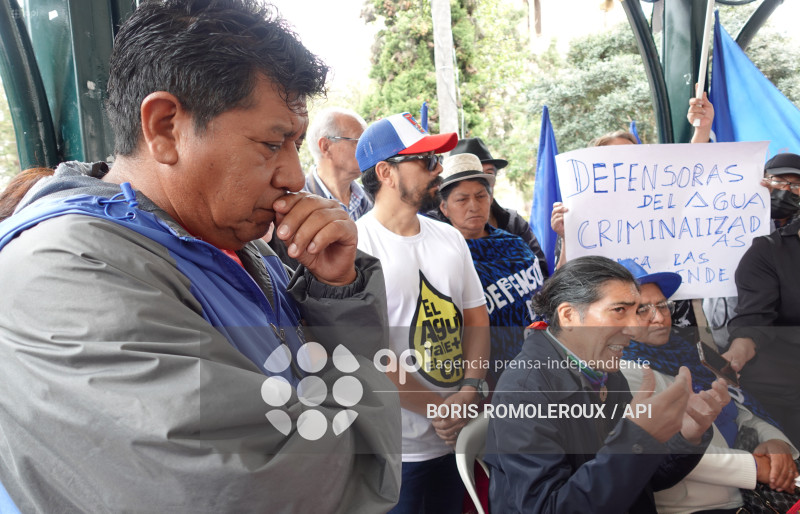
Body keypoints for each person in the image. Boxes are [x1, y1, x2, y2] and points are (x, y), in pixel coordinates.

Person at [0, 1, 401, 512]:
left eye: (297, 145)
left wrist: (335, 290)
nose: (295, 178)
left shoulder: (233, 247)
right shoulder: (64, 277)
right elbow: (273, 487)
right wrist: (374, 415)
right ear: (166, 127)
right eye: (272, 143)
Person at [485, 255, 729, 513]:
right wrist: (637, 437)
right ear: (569, 316)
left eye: (635, 312)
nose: (634, 328)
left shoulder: (603, 371)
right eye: (619, 311)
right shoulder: (525, 391)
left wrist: (687, 435)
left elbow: (638, 481)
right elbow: (550, 507)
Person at [355, 113, 490, 514]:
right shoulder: (355, 247)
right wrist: (438, 408)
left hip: (459, 437)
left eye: (437, 160)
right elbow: (366, 352)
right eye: (426, 161)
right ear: (386, 172)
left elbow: (476, 320)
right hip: (397, 451)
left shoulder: (448, 237)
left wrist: (469, 391)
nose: (438, 170)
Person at [618, 259, 799, 513]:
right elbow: (666, 455)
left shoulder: (690, 354)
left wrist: (775, 443)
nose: (659, 317)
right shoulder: (620, 374)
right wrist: (756, 468)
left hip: (753, 495)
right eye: (642, 310)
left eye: (662, 305)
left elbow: (738, 407)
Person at [436, 152, 545, 387]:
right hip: (491, 378)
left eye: (481, 196)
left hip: (540, 361)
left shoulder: (514, 243)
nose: (474, 206)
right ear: (444, 208)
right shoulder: (445, 258)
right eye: (462, 199)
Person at [725, 155, 800, 449]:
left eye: (795, 184)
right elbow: (753, 320)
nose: (787, 190)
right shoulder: (768, 252)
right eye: (780, 182)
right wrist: (737, 353)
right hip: (786, 375)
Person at [449, 137, 549, 279]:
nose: (481, 180)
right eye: (462, 199)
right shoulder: (438, 231)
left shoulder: (513, 222)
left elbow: (540, 270)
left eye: (488, 174)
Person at [303, 107, 372, 220]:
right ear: (326, 146)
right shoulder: (296, 201)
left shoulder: (371, 198)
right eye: (359, 142)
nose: (368, 150)